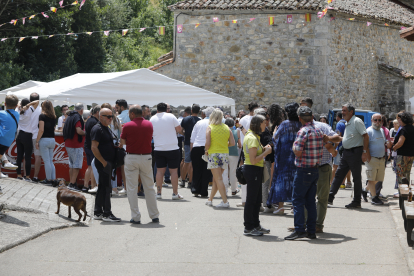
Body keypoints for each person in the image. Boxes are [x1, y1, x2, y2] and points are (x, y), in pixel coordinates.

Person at [285, 106, 324, 240]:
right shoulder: (318, 130)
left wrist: (293, 147)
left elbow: (298, 151)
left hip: (303, 169)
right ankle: (311, 231)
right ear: (312, 117)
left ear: (300, 118)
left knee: (297, 201)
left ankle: (300, 229)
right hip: (314, 169)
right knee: (310, 202)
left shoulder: (303, 131)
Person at [120, 105, 159, 224]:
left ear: (132, 114)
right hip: (146, 156)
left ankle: (136, 216)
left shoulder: (127, 125)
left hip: (132, 157)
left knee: (132, 188)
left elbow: (122, 142)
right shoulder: (149, 124)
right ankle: (154, 215)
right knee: (149, 187)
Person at [327, 103, 369, 209]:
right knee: (338, 175)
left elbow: (365, 136)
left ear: (351, 112)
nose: (342, 112)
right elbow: (347, 138)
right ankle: (330, 197)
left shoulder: (356, 121)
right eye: (342, 110)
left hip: (355, 152)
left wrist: (364, 151)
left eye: (345, 110)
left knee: (356, 178)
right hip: (346, 152)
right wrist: (331, 138)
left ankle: (357, 201)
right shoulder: (348, 122)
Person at [267, 103, 302, 215]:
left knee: (281, 181)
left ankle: (281, 206)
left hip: (284, 157)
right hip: (297, 156)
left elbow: (275, 138)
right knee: (295, 181)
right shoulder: (301, 125)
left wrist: (273, 133)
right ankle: (293, 206)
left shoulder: (285, 124)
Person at [243, 115, 272, 236]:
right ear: (257, 124)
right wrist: (266, 152)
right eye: (264, 123)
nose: (266, 125)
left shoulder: (254, 136)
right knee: (252, 199)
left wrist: (264, 149)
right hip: (253, 169)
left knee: (256, 200)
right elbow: (253, 159)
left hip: (256, 169)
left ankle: (256, 224)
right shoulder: (252, 138)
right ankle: (249, 227)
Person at [91, 108, 121, 222]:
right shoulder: (97, 129)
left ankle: (98, 212)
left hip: (107, 162)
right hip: (103, 162)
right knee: (107, 188)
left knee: (102, 187)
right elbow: (94, 147)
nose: (110, 118)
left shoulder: (106, 128)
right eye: (108, 116)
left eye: (111, 116)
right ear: (101, 116)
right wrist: (104, 162)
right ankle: (107, 214)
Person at [150, 102, 183, 200]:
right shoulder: (171, 116)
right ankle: (175, 193)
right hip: (172, 147)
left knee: (160, 171)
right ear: (167, 109)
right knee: (173, 171)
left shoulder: (152, 118)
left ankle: (159, 193)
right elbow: (179, 129)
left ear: (157, 110)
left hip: (159, 148)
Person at [205, 109, 235, 207]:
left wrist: (206, 150)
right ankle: (210, 199)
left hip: (214, 154)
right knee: (217, 179)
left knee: (218, 179)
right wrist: (223, 144)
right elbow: (232, 143)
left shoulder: (210, 127)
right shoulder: (227, 127)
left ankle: (225, 201)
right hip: (224, 154)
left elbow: (207, 144)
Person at [361, 114, 391, 205]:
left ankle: (364, 190)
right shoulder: (368, 131)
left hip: (381, 158)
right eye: (375, 120)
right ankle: (374, 198)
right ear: (371, 120)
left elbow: (385, 143)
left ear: (382, 121)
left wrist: (388, 144)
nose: (377, 122)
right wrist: (367, 156)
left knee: (378, 179)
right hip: (372, 159)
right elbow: (365, 145)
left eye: (379, 120)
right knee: (371, 179)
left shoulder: (382, 130)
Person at [190, 106, 215, 197]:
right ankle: (204, 190)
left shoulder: (199, 122)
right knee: (206, 170)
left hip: (197, 146)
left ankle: (195, 188)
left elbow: (192, 137)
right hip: (209, 148)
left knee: (197, 169)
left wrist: (191, 149)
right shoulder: (214, 124)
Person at [238, 101, 259, 207]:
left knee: (245, 174)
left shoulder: (243, 119)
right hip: (251, 147)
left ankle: (244, 200)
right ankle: (247, 200)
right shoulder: (255, 120)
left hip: (244, 148)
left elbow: (239, 133)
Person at [63, 103, 85, 191]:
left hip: (68, 143)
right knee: (76, 165)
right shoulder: (77, 117)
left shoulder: (69, 116)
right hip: (76, 144)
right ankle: (72, 184)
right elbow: (79, 131)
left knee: (72, 165)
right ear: (82, 110)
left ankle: (72, 183)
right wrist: (87, 133)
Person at [16, 98, 39, 181]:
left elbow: (18, 102)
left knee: (19, 156)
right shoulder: (29, 110)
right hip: (27, 135)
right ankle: (27, 176)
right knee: (28, 157)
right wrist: (28, 105)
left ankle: (19, 174)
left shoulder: (18, 110)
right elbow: (37, 101)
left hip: (19, 134)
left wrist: (22, 105)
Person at [35, 100, 57, 186]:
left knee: (47, 161)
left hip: (44, 140)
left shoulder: (42, 116)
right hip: (52, 140)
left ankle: (48, 179)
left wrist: (37, 141)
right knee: (51, 161)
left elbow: (41, 130)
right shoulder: (54, 117)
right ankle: (53, 179)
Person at [0, 95, 19, 190]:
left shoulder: (1, 113)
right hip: (8, 142)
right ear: (16, 105)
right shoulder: (17, 114)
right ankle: (5, 162)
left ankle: (5, 161)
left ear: (5, 104)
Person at [180, 104, 201, 189]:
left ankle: (183, 180)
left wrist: (185, 135)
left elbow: (180, 130)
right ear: (199, 111)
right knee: (193, 163)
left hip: (187, 141)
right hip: (196, 143)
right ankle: (190, 182)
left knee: (186, 161)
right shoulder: (199, 121)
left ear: (191, 110)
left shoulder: (185, 119)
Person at [392, 112, 414, 187]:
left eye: (400, 120)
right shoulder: (413, 128)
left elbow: (400, 143)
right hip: (411, 155)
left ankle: (402, 195)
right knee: (407, 175)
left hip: (402, 156)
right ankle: (407, 193)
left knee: (401, 176)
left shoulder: (404, 129)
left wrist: (394, 148)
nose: (399, 121)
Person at [331, 112, 351, 188]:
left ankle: (332, 182)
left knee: (335, 166)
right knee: (347, 167)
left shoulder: (339, 124)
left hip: (340, 147)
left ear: (337, 117)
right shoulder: (348, 123)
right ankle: (345, 183)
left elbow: (338, 137)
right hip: (348, 147)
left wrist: (334, 148)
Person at [84, 106, 100, 193]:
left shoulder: (89, 120)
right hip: (92, 147)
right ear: (97, 112)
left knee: (90, 166)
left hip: (87, 145)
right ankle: (93, 186)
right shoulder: (95, 122)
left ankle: (86, 185)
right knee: (93, 167)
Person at [223, 118, 240, 196]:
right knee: (233, 172)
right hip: (234, 153)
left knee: (225, 172)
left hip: (225, 153)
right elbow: (239, 145)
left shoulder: (224, 131)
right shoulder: (237, 132)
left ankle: (225, 190)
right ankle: (233, 190)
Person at [30, 93, 42, 182]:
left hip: (25, 134)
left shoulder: (26, 109)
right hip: (36, 136)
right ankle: (35, 176)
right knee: (38, 156)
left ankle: (26, 176)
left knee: (26, 156)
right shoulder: (41, 110)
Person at [391, 119, 400, 197]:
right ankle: (399, 190)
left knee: (399, 173)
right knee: (397, 172)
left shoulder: (401, 130)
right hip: (395, 153)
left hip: (399, 153)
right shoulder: (392, 130)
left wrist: (394, 146)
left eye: (395, 124)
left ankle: (400, 191)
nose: (394, 125)